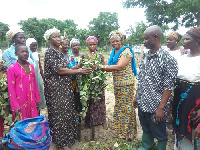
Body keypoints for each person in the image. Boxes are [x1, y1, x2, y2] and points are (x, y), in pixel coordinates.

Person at [43, 27, 91, 150]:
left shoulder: (58, 52)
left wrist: (77, 67)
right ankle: (62, 142)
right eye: (55, 37)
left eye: (59, 36)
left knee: (67, 114)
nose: (58, 39)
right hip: (56, 90)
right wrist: (79, 71)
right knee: (59, 115)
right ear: (49, 40)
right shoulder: (50, 52)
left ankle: (68, 138)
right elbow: (59, 70)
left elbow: (66, 69)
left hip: (64, 88)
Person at [134, 25, 178, 150]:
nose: (144, 41)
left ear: (156, 37)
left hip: (156, 106)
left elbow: (168, 86)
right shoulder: (146, 56)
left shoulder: (168, 59)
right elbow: (141, 78)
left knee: (160, 133)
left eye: (146, 39)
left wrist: (161, 108)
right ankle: (145, 146)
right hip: (143, 102)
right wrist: (136, 96)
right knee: (146, 127)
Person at [101, 30, 137, 140]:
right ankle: (120, 130)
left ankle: (128, 133)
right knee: (120, 106)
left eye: (117, 40)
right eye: (112, 41)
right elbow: (110, 66)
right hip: (117, 84)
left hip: (126, 84)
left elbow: (119, 67)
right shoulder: (113, 52)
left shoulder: (126, 51)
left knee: (126, 107)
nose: (114, 43)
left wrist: (101, 67)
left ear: (121, 40)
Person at [172, 27, 200, 149]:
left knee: (194, 134)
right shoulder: (181, 58)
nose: (183, 40)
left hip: (195, 105)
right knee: (180, 130)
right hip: (179, 103)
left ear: (197, 41)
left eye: (187, 39)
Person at [7, 44, 41, 121]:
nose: (25, 53)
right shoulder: (12, 69)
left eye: (26, 52)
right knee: (22, 125)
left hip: (32, 101)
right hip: (20, 102)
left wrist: (37, 99)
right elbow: (11, 89)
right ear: (16, 54)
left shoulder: (31, 67)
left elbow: (34, 83)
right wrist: (15, 106)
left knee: (33, 123)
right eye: (22, 52)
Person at [84, 36, 107, 129]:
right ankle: (88, 122)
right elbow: (81, 67)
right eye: (90, 44)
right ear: (87, 45)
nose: (92, 46)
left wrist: (99, 67)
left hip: (98, 82)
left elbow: (104, 68)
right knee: (89, 102)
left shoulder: (100, 55)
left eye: (94, 44)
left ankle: (102, 121)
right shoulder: (84, 55)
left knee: (100, 101)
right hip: (88, 82)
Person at [26, 38, 46, 111]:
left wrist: (43, 78)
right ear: (28, 45)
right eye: (32, 46)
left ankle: (38, 111)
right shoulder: (25, 54)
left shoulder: (37, 54)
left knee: (39, 94)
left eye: (36, 46)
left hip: (37, 77)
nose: (34, 47)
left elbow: (40, 67)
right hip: (29, 78)